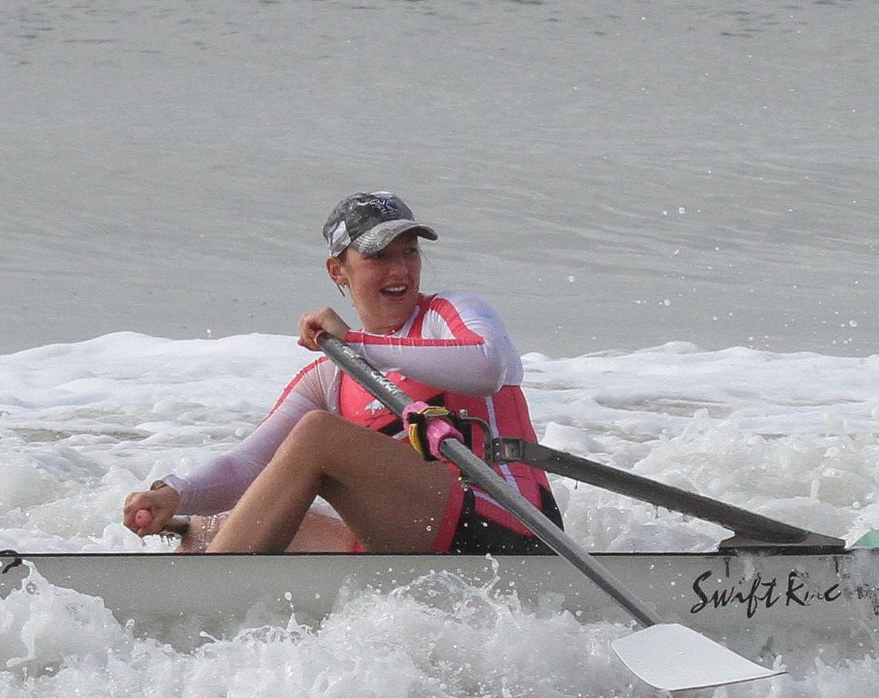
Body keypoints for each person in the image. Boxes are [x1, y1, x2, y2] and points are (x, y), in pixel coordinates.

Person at [122, 191, 559, 556]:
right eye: (379, 256)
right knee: (209, 525)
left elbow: (487, 367)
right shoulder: (328, 377)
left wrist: (355, 343)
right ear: (338, 272)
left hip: (508, 525)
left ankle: (203, 595)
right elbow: (251, 464)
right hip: (423, 535)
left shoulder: (451, 312)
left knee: (318, 435)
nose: (400, 269)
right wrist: (172, 494)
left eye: (409, 251)